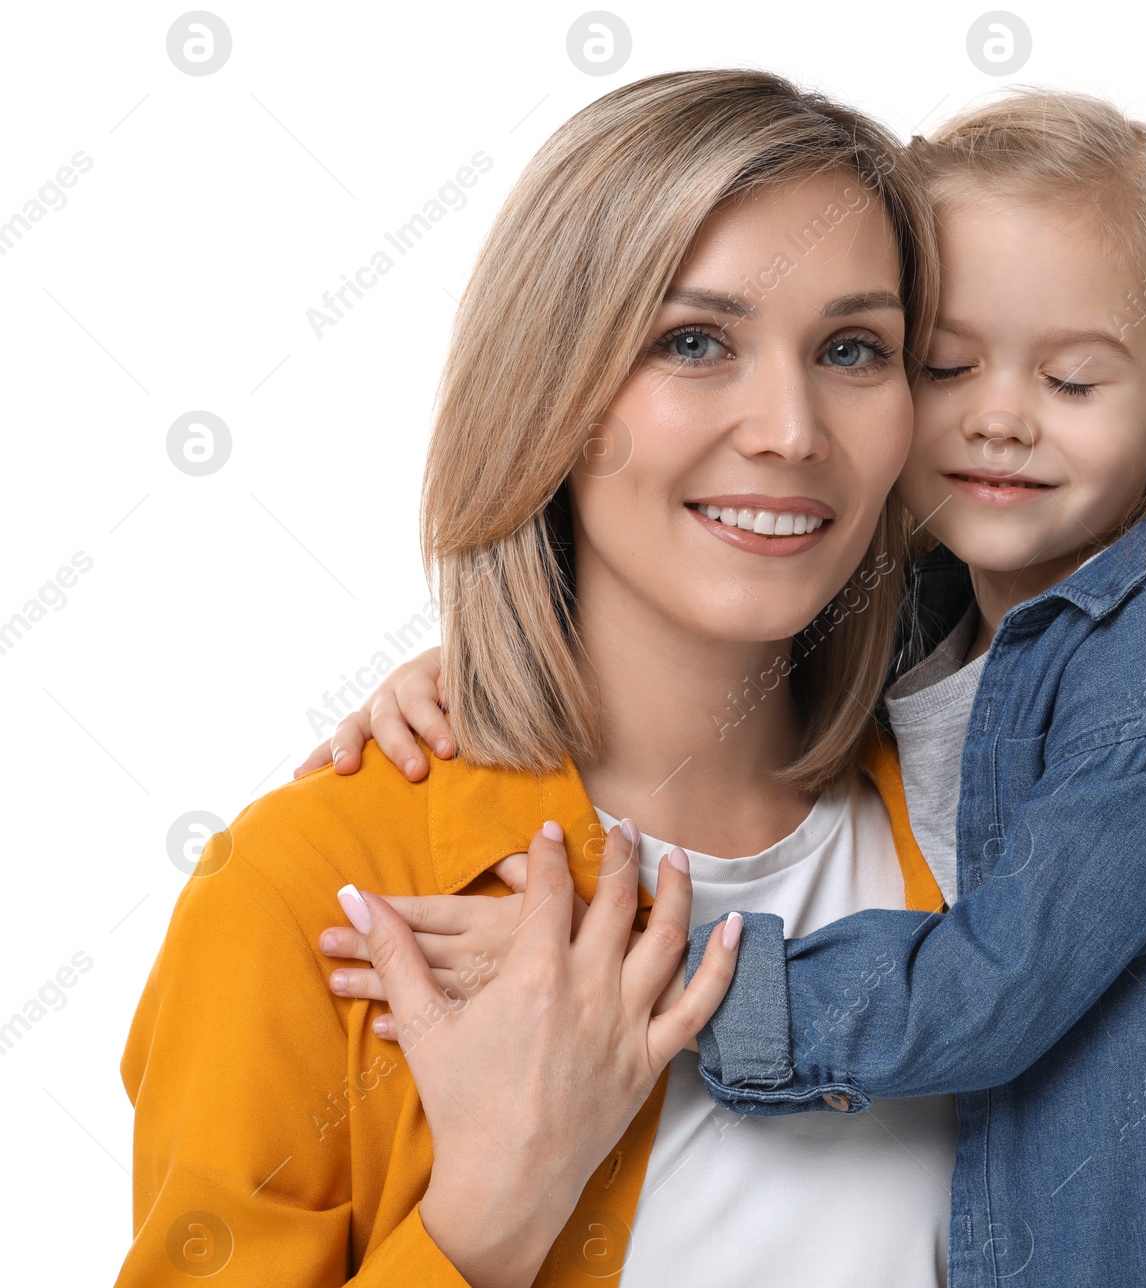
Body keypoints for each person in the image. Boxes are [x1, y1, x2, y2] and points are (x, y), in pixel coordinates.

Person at [303, 89, 1146, 1286]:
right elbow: (720, 656)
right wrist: (485, 658)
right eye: (942, 365)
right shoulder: (916, 635)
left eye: (1074, 383)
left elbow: (990, 987)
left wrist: (652, 980)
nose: (997, 420)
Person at [119, 68, 954, 1287]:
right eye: (692, 341)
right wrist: (489, 1215)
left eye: (851, 348)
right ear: (551, 391)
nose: (790, 429)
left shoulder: (999, 827)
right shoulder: (310, 891)